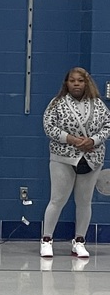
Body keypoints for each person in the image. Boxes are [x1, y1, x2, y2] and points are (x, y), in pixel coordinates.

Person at [40, 67, 110, 259]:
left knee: (84, 201)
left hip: (91, 157)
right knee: (57, 199)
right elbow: (48, 126)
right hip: (63, 156)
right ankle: (47, 239)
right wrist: (69, 138)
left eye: (80, 81)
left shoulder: (98, 105)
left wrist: (93, 140)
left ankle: (79, 241)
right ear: (67, 83)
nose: (76, 84)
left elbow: (107, 126)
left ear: (87, 83)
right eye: (73, 81)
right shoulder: (57, 104)